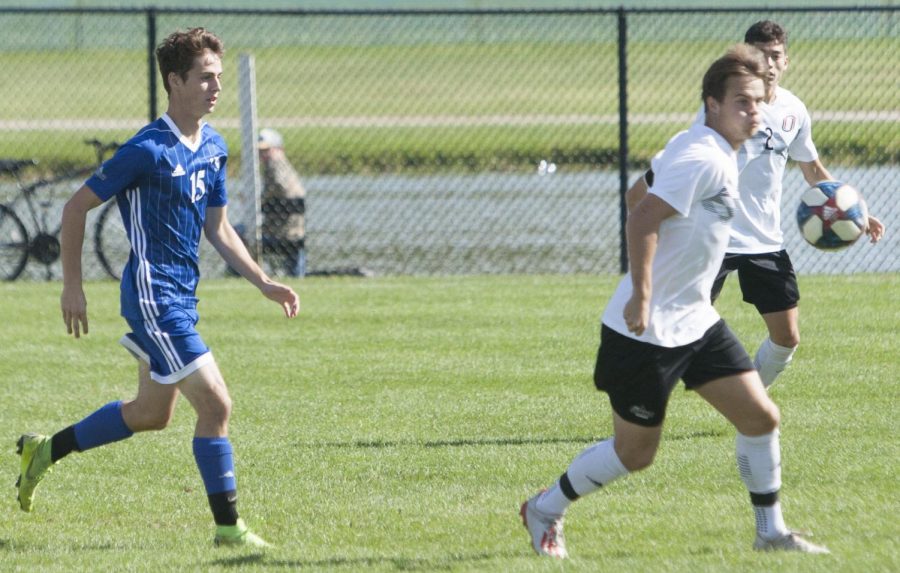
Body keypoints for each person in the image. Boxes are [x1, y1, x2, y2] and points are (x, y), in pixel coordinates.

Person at [521, 44, 831, 559]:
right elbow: (640, 217)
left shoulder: (704, 147)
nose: (754, 113)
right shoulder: (703, 157)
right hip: (646, 330)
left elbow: (637, 194)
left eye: (757, 103)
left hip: (696, 321)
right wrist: (643, 293)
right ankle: (545, 508)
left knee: (760, 418)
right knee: (635, 454)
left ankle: (771, 532)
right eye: (741, 103)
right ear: (712, 103)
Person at [15, 28, 299, 548]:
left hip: (182, 297)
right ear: (175, 81)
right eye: (205, 77)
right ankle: (229, 529)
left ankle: (45, 451)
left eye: (218, 76)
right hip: (153, 297)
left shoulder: (213, 146)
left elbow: (219, 228)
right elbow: (75, 207)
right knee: (215, 405)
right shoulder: (146, 148)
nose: (216, 87)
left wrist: (262, 281)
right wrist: (71, 287)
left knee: (150, 414)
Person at [627, 20, 886, 388]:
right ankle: (639, 403)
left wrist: (853, 210)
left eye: (775, 55)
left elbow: (811, 167)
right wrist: (649, 201)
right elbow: (688, 157)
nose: (769, 63)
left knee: (787, 336)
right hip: (712, 234)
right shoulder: (722, 108)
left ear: (786, 60)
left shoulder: (794, 110)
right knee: (675, 329)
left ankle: (751, 399)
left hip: (764, 238)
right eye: (760, 55)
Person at [258, 127, 307, 278]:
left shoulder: (275, 165)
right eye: (260, 151)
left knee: (237, 233)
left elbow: (280, 185)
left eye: (267, 150)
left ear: (279, 149)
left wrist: (262, 199)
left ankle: (239, 274)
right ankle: (296, 274)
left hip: (279, 233)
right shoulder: (284, 167)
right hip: (293, 233)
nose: (262, 154)